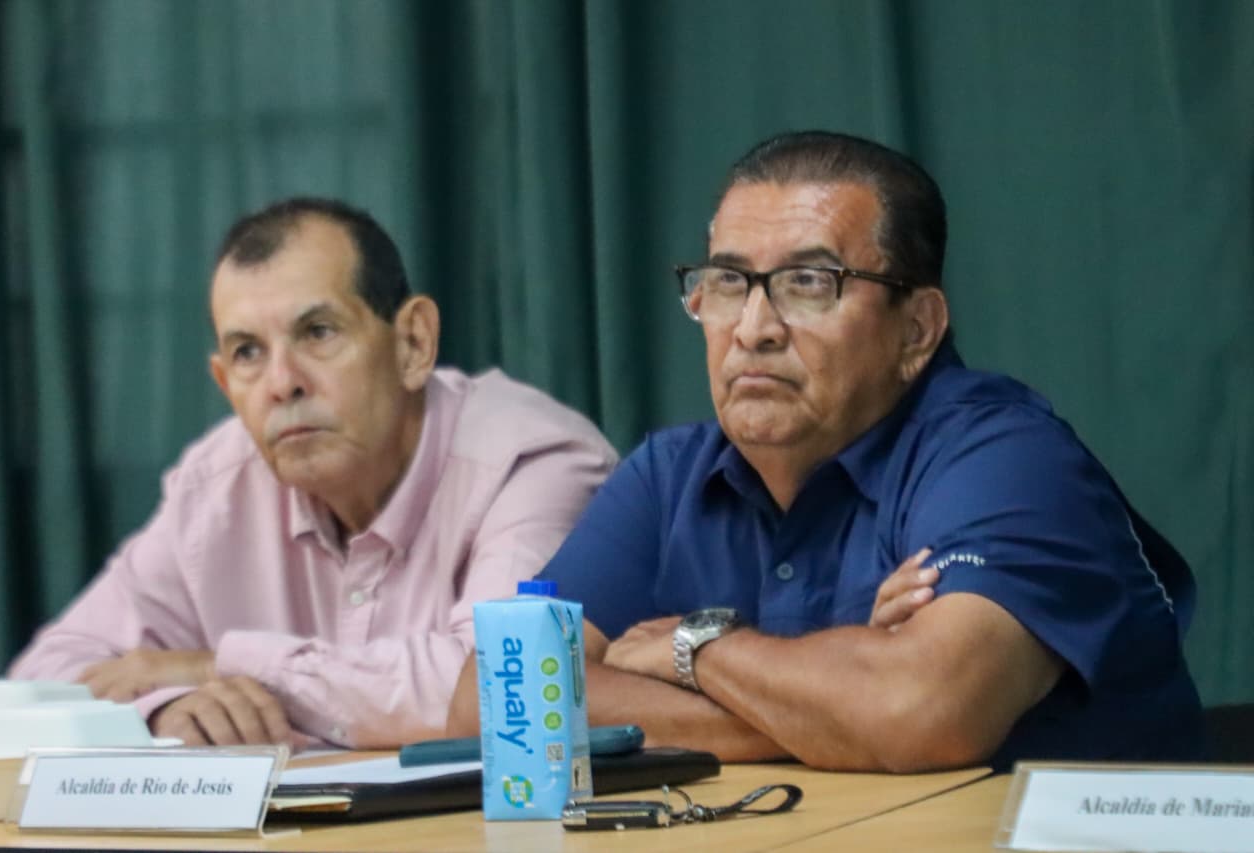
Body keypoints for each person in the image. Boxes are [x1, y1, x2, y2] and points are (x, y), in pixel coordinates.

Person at [447, 131, 1203, 772]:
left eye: (808, 283)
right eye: (728, 281)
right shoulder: (667, 478)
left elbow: (918, 710)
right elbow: (495, 702)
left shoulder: (1007, 458)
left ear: (917, 329)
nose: (753, 328)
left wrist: (693, 647)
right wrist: (828, 712)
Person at [11, 197, 617, 749]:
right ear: (224, 382)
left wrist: (221, 668)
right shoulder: (216, 486)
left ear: (413, 343)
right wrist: (164, 711)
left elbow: (503, 690)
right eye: (248, 352)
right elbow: (47, 676)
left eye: (318, 332)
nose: (282, 383)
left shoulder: (532, 463)